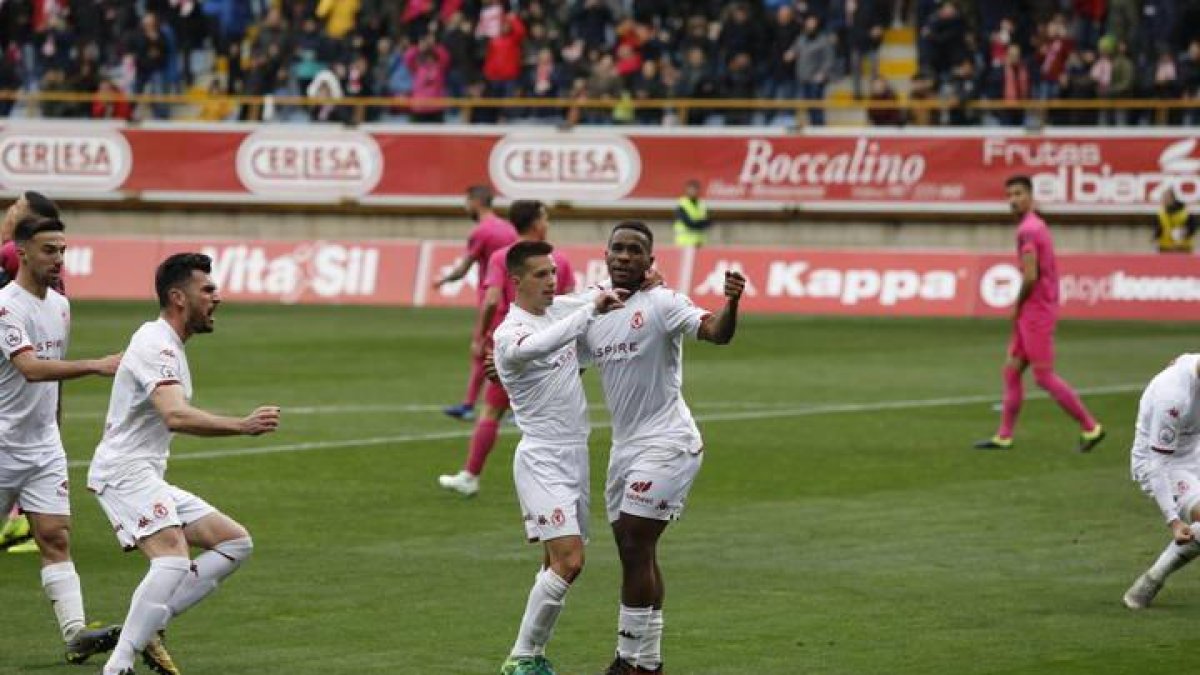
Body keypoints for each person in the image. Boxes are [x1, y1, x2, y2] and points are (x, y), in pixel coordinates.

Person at [89, 253, 281, 675]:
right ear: (179, 297)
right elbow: (175, 415)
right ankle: (118, 666)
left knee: (234, 542)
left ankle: (144, 629)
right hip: (123, 472)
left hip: (142, 472)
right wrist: (242, 426)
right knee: (172, 559)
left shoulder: (167, 345)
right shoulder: (155, 344)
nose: (218, 297)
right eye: (207, 289)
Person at [583, 222, 745, 675]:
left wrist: (731, 302)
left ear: (650, 262)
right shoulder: (591, 309)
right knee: (635, 551)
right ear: (607, 255)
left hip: (670, 441)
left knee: (636, 538)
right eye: (618, 248)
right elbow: (558, 351)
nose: (624, 256)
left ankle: (625, 658)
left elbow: (715, 331)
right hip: (624, 448)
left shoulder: (664, 303)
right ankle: (651, 662)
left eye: (635, 250)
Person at [492, 241, 628, 675]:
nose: (551, 281)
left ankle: (533, 656)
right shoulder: (509, 334)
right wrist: (589, 311)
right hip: (541, 459)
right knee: (569, 561)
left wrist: (636, 286)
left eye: (553, 272)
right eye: (540, 274)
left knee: (557, 564)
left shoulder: (560, 309)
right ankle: (522, 657)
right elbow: (544, 342)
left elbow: (592, 297)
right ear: (516, 282)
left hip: (576, 458)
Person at [0, 214, 125, 663]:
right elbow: (31, 369)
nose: (59, 259)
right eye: (50, 250)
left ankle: (75, 632)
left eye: (63, 250)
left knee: (55, 537)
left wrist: (56, 429)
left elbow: (52, 383)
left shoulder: (60, 306)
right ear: (24, 252)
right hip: (2, 444)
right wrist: (96, 365)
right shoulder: (6, 306)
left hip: (44, 446)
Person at [439, 200, 575, 497]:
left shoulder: (503, 257)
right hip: (550, 344)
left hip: (513, 345)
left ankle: (471, 476)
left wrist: (481, 336)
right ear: (537, 223)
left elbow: (491, 299)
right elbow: (570, 305)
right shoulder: (559, 260)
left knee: (492, 410)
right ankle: (558, 477)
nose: (547, 222)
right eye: (546, 217)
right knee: (549, 412)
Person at [975, 176, 1105, 452]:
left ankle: (1091, 427)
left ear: (1030, 196)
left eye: (1019, 193)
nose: (1013, 199)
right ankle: (1004, 435)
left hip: (1036, 312)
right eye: (1009, 194)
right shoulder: (1034, 226)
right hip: (1033, 310)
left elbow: (1031, 276)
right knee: (1011, 370)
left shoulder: (1029, 231)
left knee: (1043, 376)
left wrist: (1016, 305)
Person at [0, 191, 62, 553]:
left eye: (16, 208)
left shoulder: (13, 252)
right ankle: (24, 517)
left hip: (21, 354)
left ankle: (24, 518)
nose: (9, 213)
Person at [1123, 354, 1200, 609]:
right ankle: (1151, 581)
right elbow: (1158, 464)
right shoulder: (1174, 398)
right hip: (1162, 464)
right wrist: (1174, 521)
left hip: (1194, 449)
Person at [436, 185, 518, 422]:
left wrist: (443, 280)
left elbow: (463, 269)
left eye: (467, 201)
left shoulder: (482, 232)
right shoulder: (509, 229)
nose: (465, 207)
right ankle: (469, 404)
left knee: (488, 350)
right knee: (492, 353)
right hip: (512, 299)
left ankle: (510, 406)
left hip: (493, 301)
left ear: (476, 201)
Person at [1153, 188, 1197, 254]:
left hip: (1183, 248)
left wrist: (1184, 232)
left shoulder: (1185, 212)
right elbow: (1159, 229)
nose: (1163, 200)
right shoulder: (1161, 213)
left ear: (1172, 199)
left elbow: (1192, 228)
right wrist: (1154, 238)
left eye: (1165, 198)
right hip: (1165, 248)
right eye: (1163, 198)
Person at [672, 179, 711, 248]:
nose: (693, 192)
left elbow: (709, 222)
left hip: (699, 243)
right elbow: (689, 223)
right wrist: (701, 223)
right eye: (691, 189)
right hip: (684, 243)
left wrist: (698, 223)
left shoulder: (702, 204)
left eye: (695, 189)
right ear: (687, 190)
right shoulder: (682, 204)